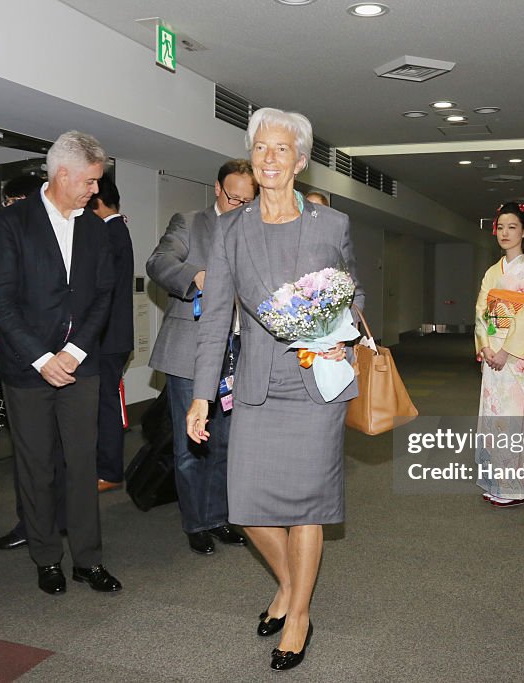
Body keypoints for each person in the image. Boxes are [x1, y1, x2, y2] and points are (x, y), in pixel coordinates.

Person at [186, 108, 364, 671]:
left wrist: (346, 337)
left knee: (307, 507)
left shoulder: (330, 226)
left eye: (280, 149)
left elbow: (353, 294)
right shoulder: (230, 230)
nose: (268, 158)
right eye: (260, 148)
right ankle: (291, 585)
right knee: (248, 506)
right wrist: (200, 395)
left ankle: (300, 615)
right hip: (259, 384)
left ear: (301, 160)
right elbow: (216, 315)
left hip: (316, 386)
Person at [0, 131, 120, 596]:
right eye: (90, 180)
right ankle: (46, 558)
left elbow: (103, 295)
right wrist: (42, 358)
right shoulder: (11, 224)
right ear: (62, 173)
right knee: (36, 466)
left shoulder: (95, 228)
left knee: (83, 465)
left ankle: (88, 560)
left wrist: (74, 351)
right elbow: (3, 303)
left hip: (81, 366)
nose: (94, 189)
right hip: (28, 369)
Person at [147, 159, 257, 554]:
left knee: (227, 442)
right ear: (217, 188)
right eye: (233, 197)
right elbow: (158, 263)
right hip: (191, 353)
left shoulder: (256, 230)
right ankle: (195, 522)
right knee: (191, 443)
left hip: (240, 352)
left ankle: (219, 516)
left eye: (247, 200)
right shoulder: (190, 222)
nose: (239, 205)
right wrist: (197, 277)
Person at [474, 202, 524, 507]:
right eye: (500, 227)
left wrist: (507, 350)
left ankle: (515, 488)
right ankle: (496, 481)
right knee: (494, 417)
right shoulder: (493, 272)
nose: (505, 233)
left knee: (515, 420)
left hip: (517, 358)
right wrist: (486, 347)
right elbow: (481, 310)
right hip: (494, 354)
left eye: (512, 227)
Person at [85, 175, 134, 493]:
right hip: (114, 336)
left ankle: (110, 471)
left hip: (107, 338)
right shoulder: (119, 230)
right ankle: (106, 467)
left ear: (96, 203)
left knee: (105, 406)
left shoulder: (109, 232)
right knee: (104, 403)